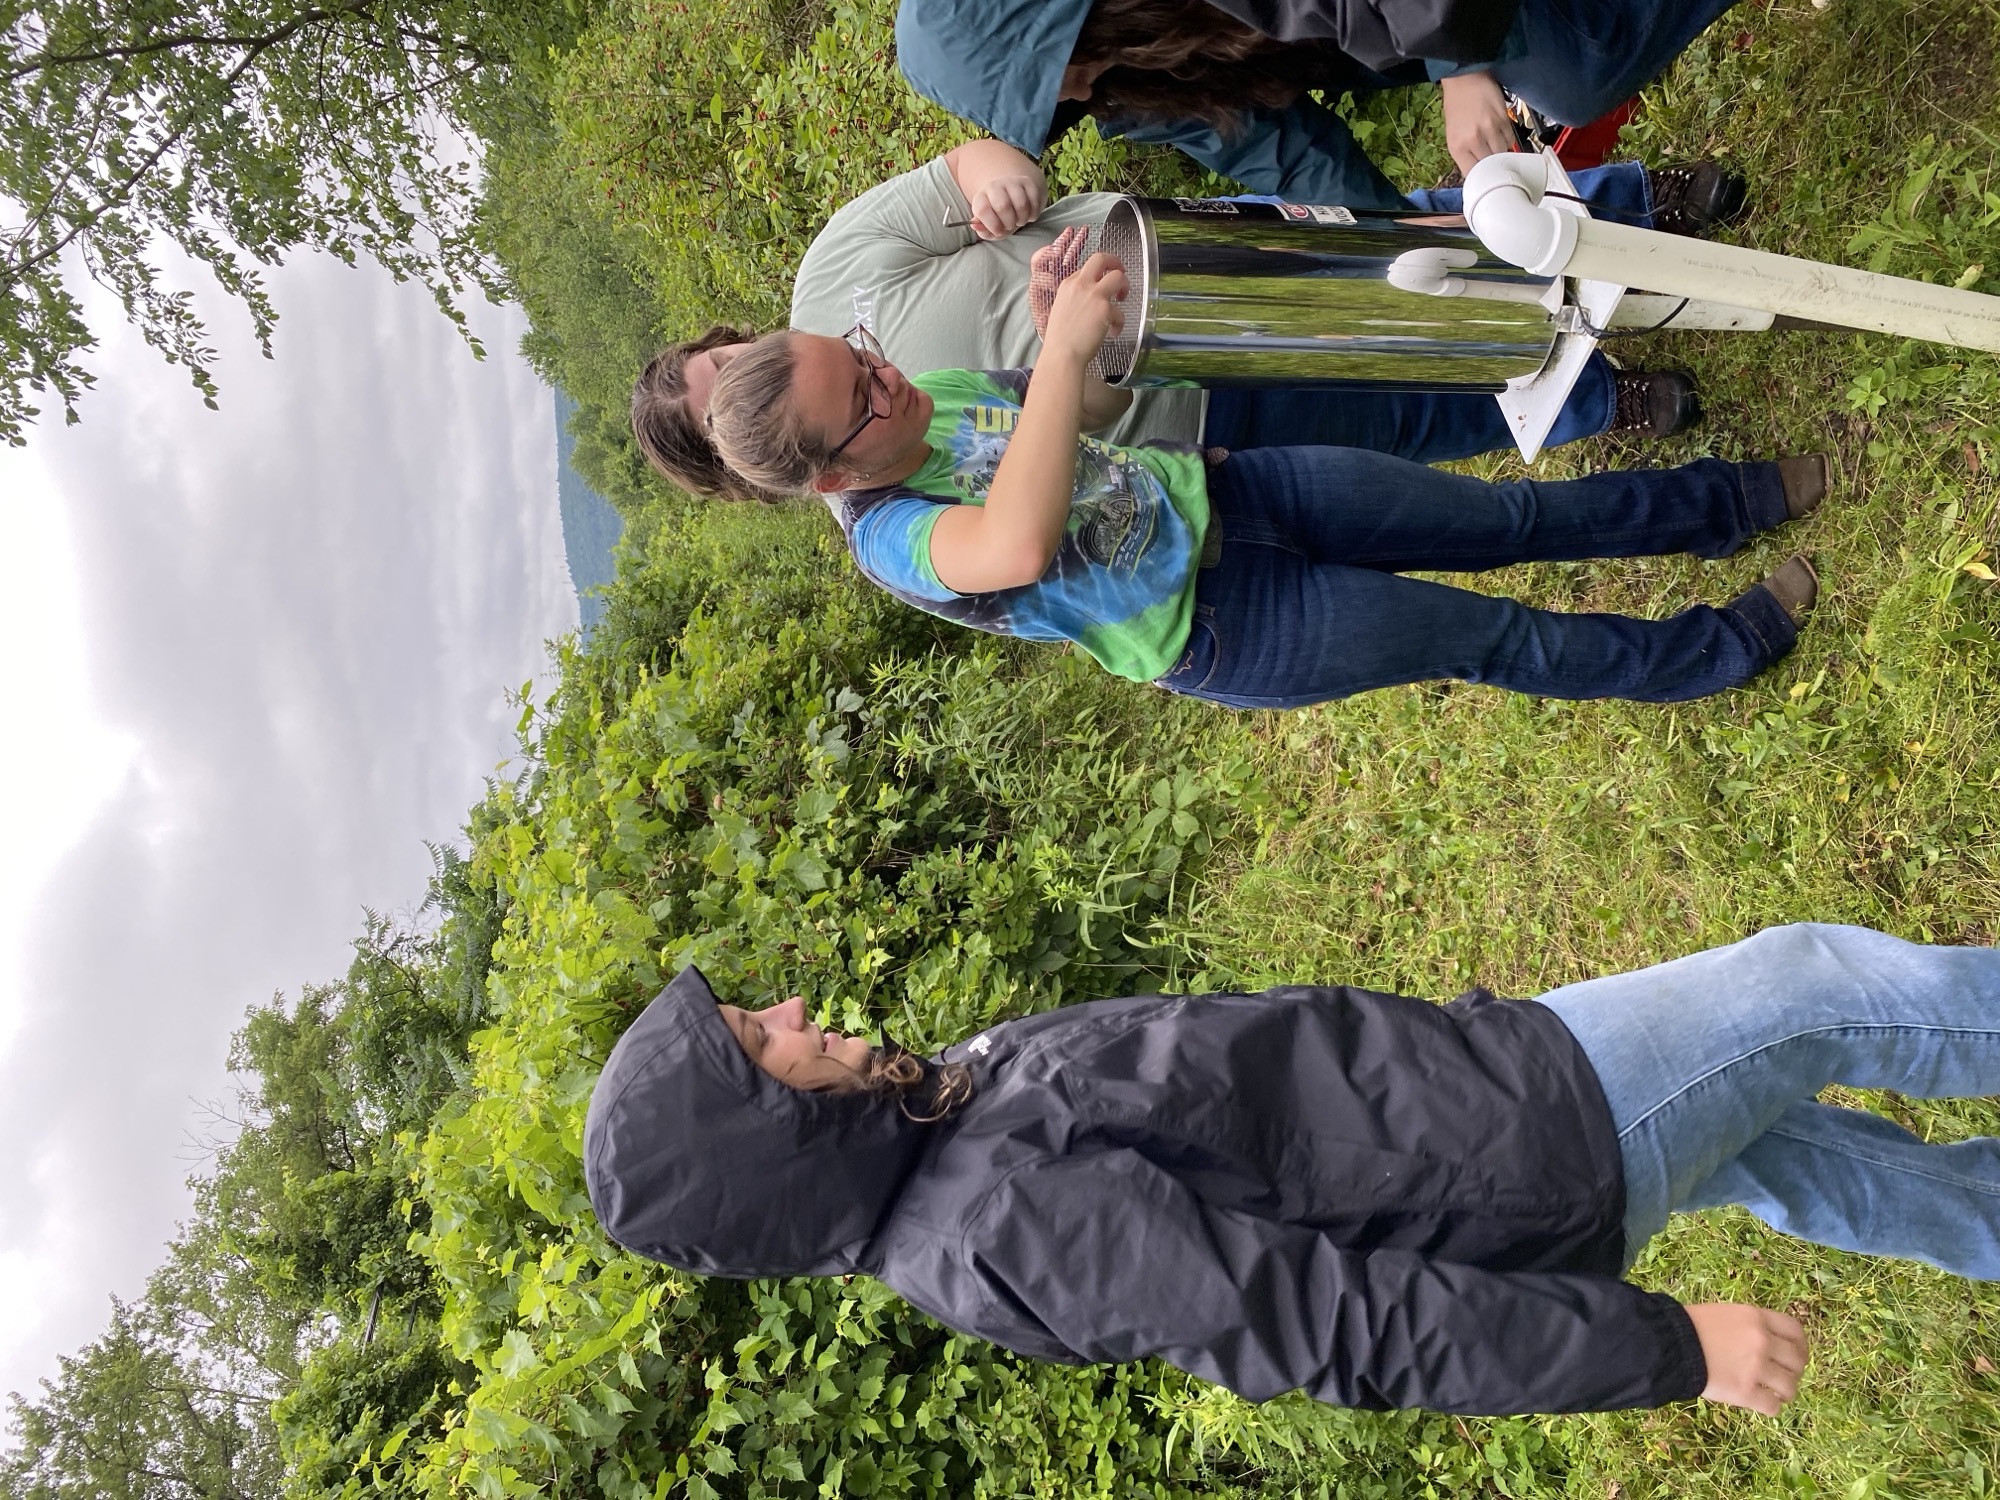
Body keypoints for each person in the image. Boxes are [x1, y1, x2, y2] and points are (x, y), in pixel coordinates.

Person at [585, 922, 2000, 1416]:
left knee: (1799, 1157)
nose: (784, 1013)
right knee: (1806, 987)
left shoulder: (934, 1119)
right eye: (755, 1042)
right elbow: (1334, 1328)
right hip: (1543, 1140)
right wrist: (1665, 1352)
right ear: (762, 1139)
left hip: (1497, 1101)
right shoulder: (1001, 1223)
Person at [702, 236, 1825, 708]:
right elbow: (1013, 543)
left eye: (855, 354)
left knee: (1506, 515)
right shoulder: (889, 539)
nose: (882, 377)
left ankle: (1727, 502)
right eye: (856, 399)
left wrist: (1071, 349)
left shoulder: (934, 394)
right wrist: (1052, 362)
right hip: (1235, 628)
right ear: (824, 480)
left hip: (1241, 487)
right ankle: (1719, 650)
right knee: (1498, 640)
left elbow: (1085, 420)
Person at [630, 140, 1707, 501]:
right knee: (1406, 418)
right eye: (718, 408)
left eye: (714, 364)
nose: (733, 378)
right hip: (1188, 417)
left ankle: (1629, 211)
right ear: (741, 465)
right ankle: (1600, 398)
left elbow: (971, 166)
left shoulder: (831, 276)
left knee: (1404, 241)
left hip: (1176, 257)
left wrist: (1002, 179)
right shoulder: (856, 483)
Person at [895, 0, 1751, 217]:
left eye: (1056, 76)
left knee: (1572, 75)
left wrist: (1462, 62)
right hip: (1415, 25)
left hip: (1438, 15)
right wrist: (1400, 240)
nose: (1075, 98)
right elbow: (1284, 152)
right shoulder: (1128, 84)